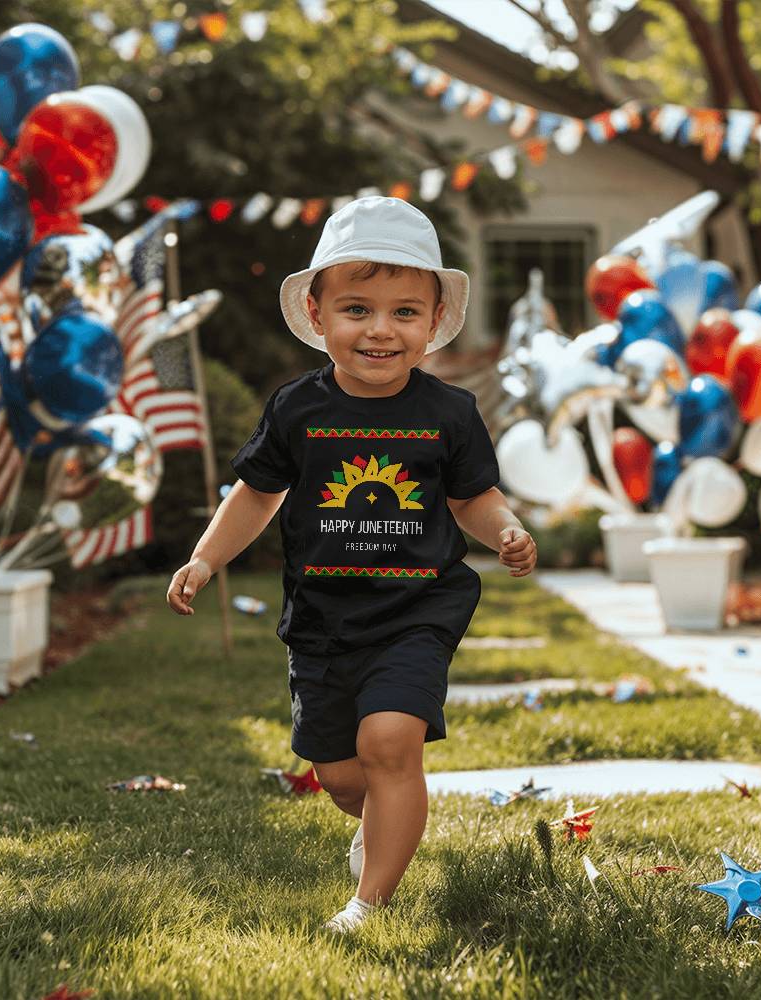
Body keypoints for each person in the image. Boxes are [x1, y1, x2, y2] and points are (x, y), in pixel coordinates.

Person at [166, 197, 537, 933]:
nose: (379, 330)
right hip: (324, 621)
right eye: (358, 308)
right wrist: (207, 558)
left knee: (390, 743)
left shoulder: (450, 412)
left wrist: (507, 530)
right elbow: (256, 496)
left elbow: (473, 499)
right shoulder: (297, 410)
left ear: (433, 321)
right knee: (341, 774)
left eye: (405, 312)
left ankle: (367, 905)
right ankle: (373, 823)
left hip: (416, 611)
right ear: (317, 312)